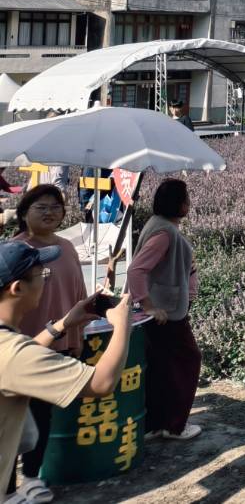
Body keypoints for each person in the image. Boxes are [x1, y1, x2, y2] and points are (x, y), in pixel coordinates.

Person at [0, 240, 133, 503]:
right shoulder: (12, 352)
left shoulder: (8, 345)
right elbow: (101, 383)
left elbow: (19, 360)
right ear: (17, 288)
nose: (45, 280)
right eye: (42, 274)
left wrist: (63, 324)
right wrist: (122, 326)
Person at [12, 186, 88, 502]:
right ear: (23, 213)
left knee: (42, 416)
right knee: (11, 421)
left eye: (56, 207)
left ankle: (30, 477)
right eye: (41, 207)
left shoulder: (66, 247)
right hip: (20, 348)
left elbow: (78, 296)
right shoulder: (15, 251)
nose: (50, 213)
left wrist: (77, 337)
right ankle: (7, 485)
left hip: (58, 344)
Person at [127, 178, 202, 442]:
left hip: (166, 310)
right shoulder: (164, 233)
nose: (189, 203)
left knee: (161, 367)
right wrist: (148, 305)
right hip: (165, 314)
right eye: (186, 199)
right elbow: (136, 270)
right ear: (179, 204)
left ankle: (154, 424)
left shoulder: (160, 225)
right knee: (187, 362)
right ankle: (174, 425)